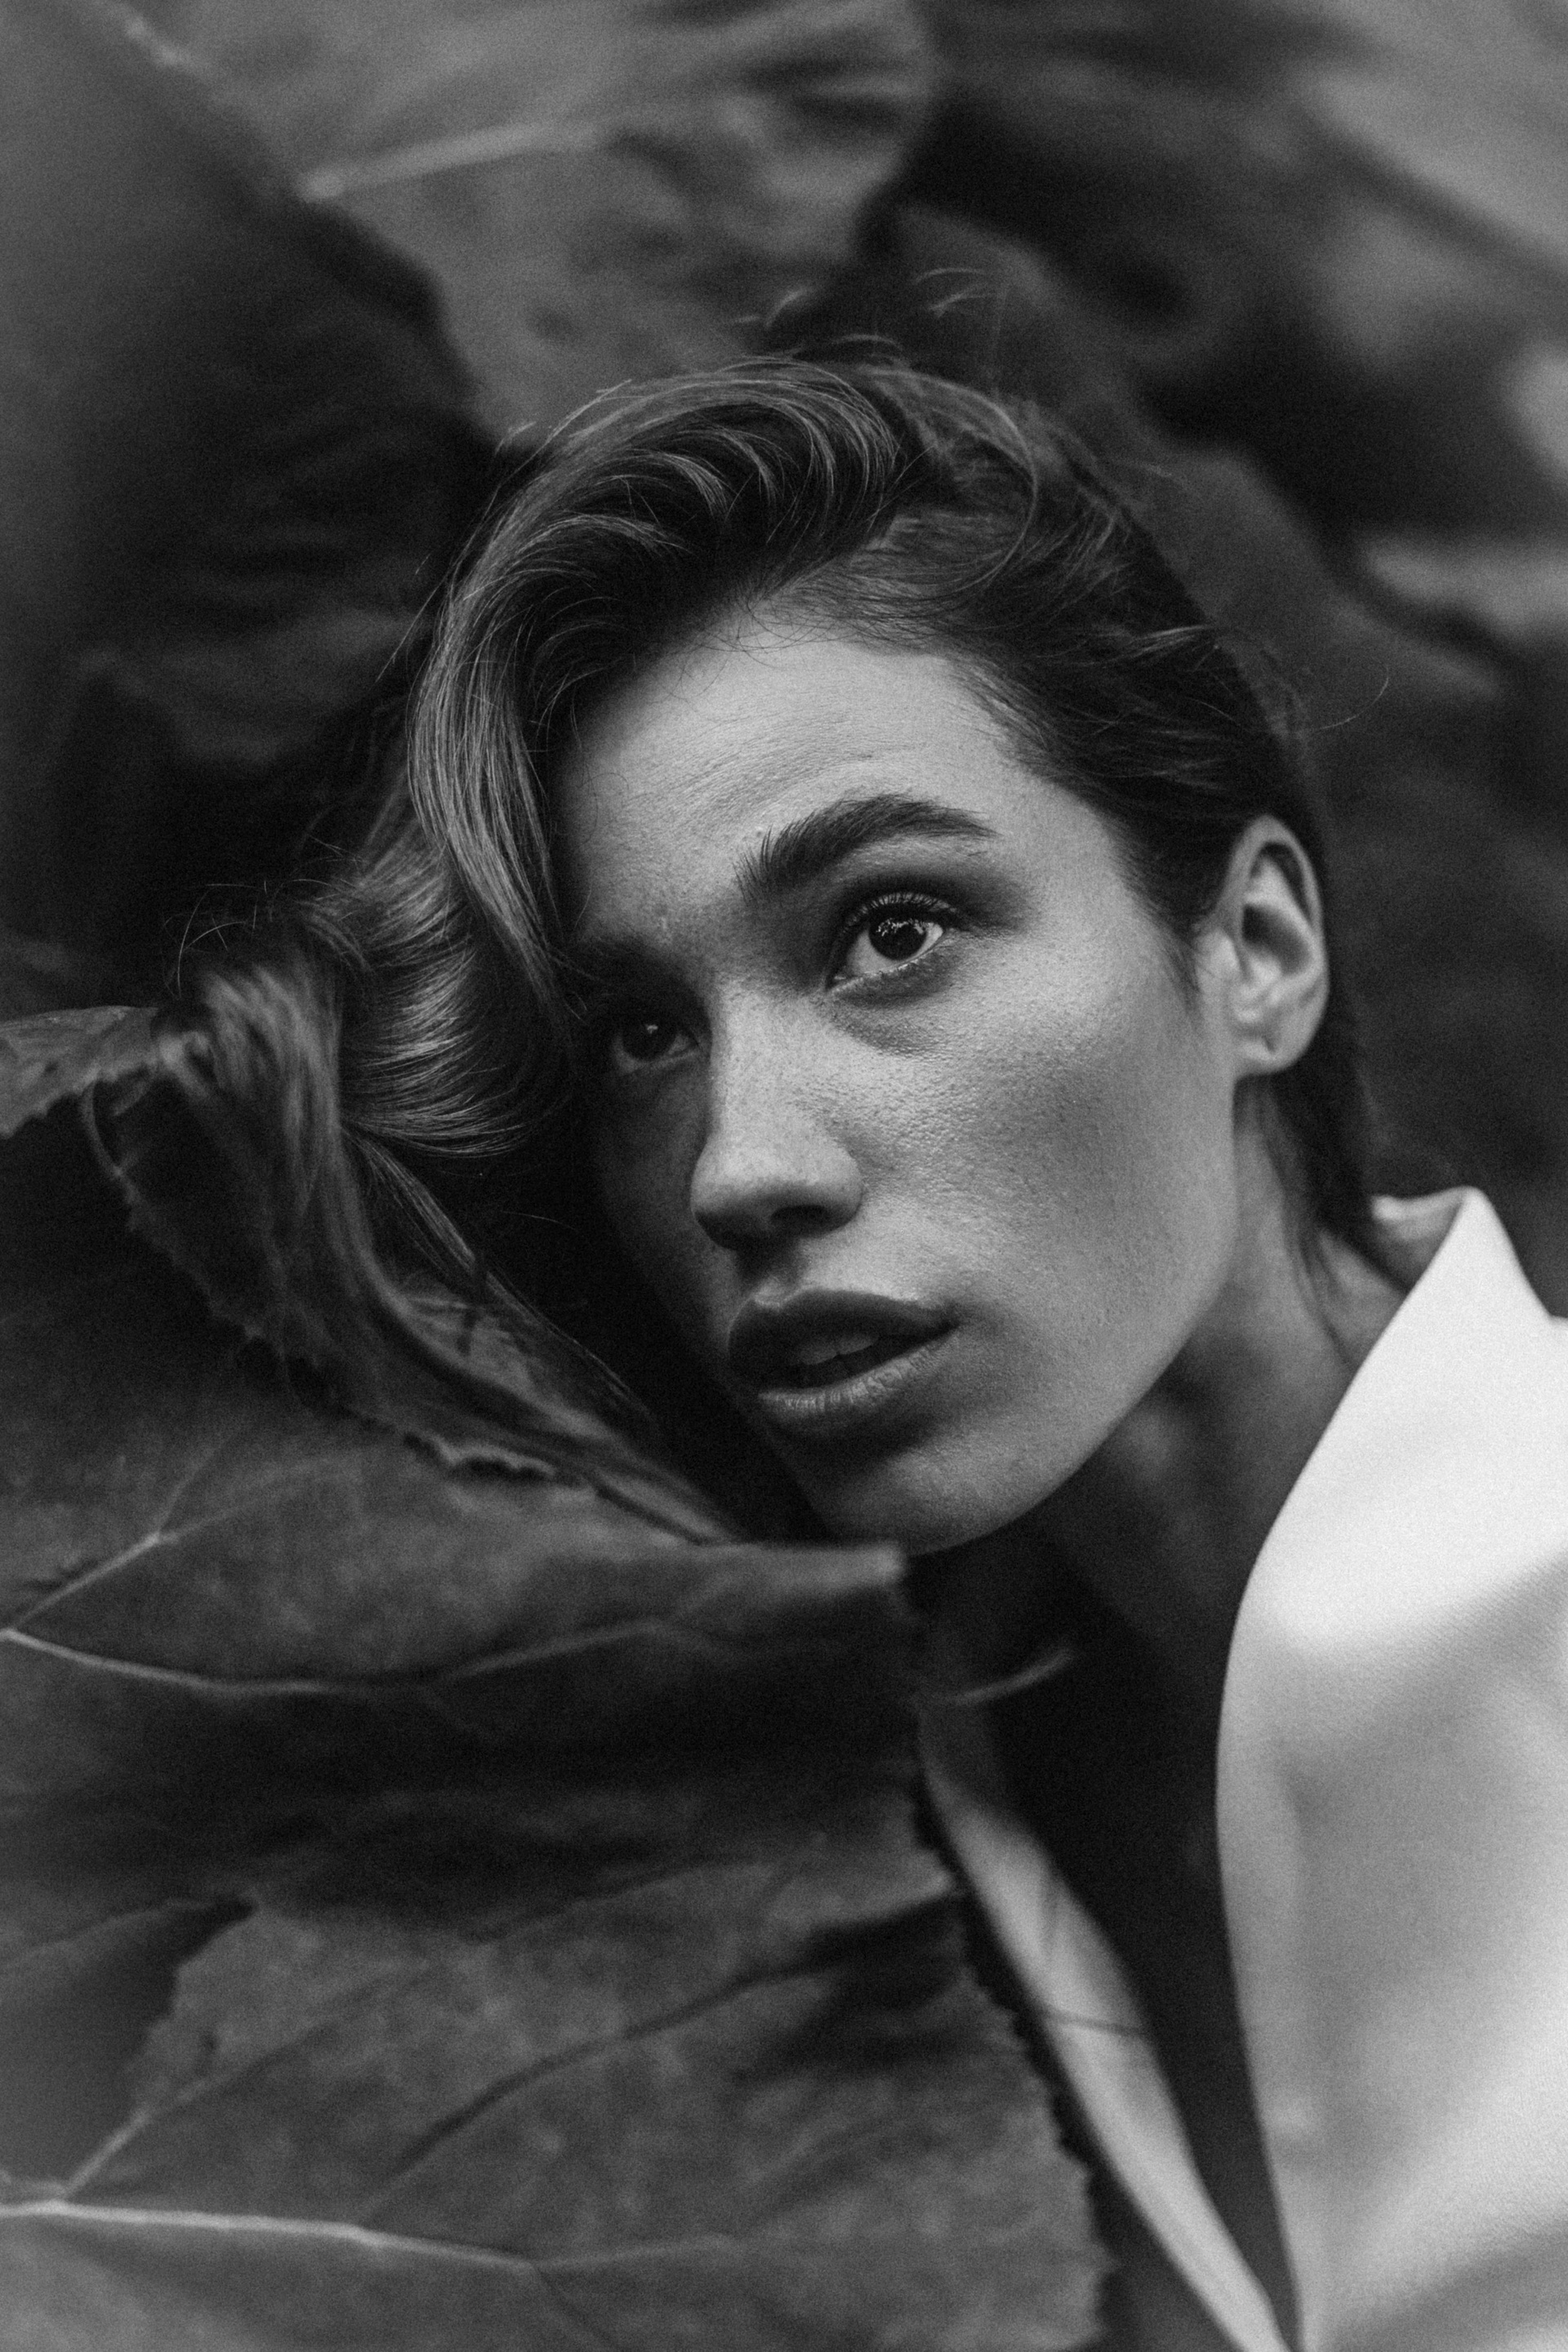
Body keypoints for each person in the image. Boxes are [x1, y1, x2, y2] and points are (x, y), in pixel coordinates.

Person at [171, 361, 1568, 2351]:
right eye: (641, 1034)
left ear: (1255, 953)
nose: (741, 1167)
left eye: (890, 931)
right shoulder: (860, 1846)